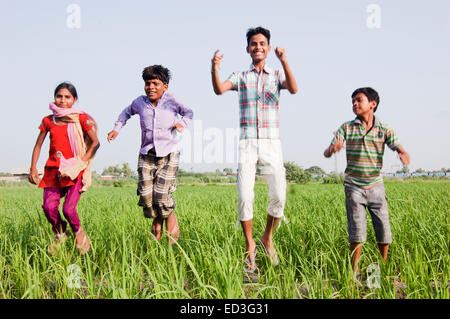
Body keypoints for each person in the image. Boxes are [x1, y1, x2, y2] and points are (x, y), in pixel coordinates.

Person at [211, 27, 298, 273]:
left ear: (268, 48)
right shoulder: (240, 76)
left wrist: (284, 60)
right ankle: (250, 245)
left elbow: (293, 88)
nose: (257, 47)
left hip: (272, 141)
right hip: (247, 142)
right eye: (253, 44)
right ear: (248, 49)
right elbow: (219, 89)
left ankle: (267, 237)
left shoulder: (276, 75)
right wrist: (214, 68)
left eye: (262, 43)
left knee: (279, 196)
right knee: (245, 196)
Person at [323, 87, 410, 280]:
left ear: (372, 104)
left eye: (358, 100)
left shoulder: (384, 128)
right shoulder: (346, 127)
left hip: (376, 186)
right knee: (357, 229)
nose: (354, 104)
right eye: (352, 101)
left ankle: (382, 268)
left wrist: (402, 152)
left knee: (383, 229)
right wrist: (333, 149)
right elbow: (327, 152)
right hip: (354, 186)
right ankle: (354, 272)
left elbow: (396, 144)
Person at [107, 65, 193, 244]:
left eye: (155, 83)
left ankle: (170, 223)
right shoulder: (139, 102)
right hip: (147, 155)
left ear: (165, 86)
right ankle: (158, 219)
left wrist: (182, 123)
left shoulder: (172, 100)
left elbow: (188, 112)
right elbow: (125, 113)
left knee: (161, 196)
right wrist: (116, 129)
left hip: (169, 154)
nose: (151, 87)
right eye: (148, 83)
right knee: (147, 197)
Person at [29, 82, 100, 255]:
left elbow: (96, 142)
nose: (62, 100)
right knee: (48, 207)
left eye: (67, 97)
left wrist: (81, 162)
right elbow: (38, 145)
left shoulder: (80, 118)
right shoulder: (48, 120)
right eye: (59, 96)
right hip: (54, 171)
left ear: (74, 99)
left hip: (74, 171)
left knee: (68, 209)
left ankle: (78, 232)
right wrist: (32, 167)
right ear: (54, 98)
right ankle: (61, 233)